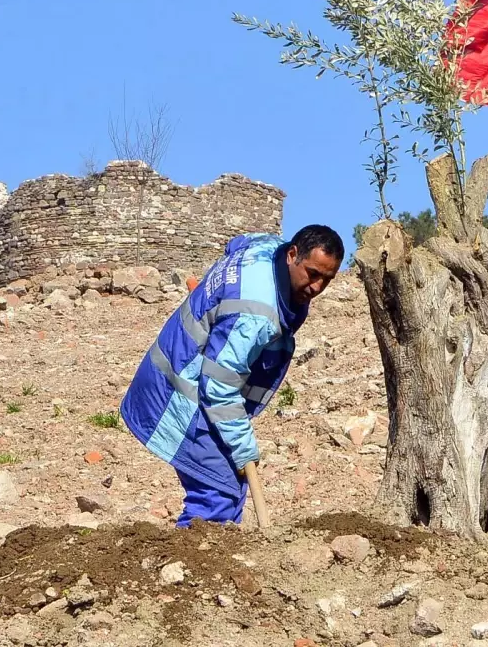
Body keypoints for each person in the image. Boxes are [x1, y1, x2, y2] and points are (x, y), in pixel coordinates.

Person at [121, 225, 343, 527]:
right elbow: (219, 386)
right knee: (217, 494)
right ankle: (190, 568)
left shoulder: (266, 249)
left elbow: (238, 242)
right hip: (179, 394)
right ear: (292, 254)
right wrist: (243, 446)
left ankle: (207, 566)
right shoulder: (255, 315)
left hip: (181, 376)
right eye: (312, 273)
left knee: (227, 488)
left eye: (327, 280)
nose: (316, 287)